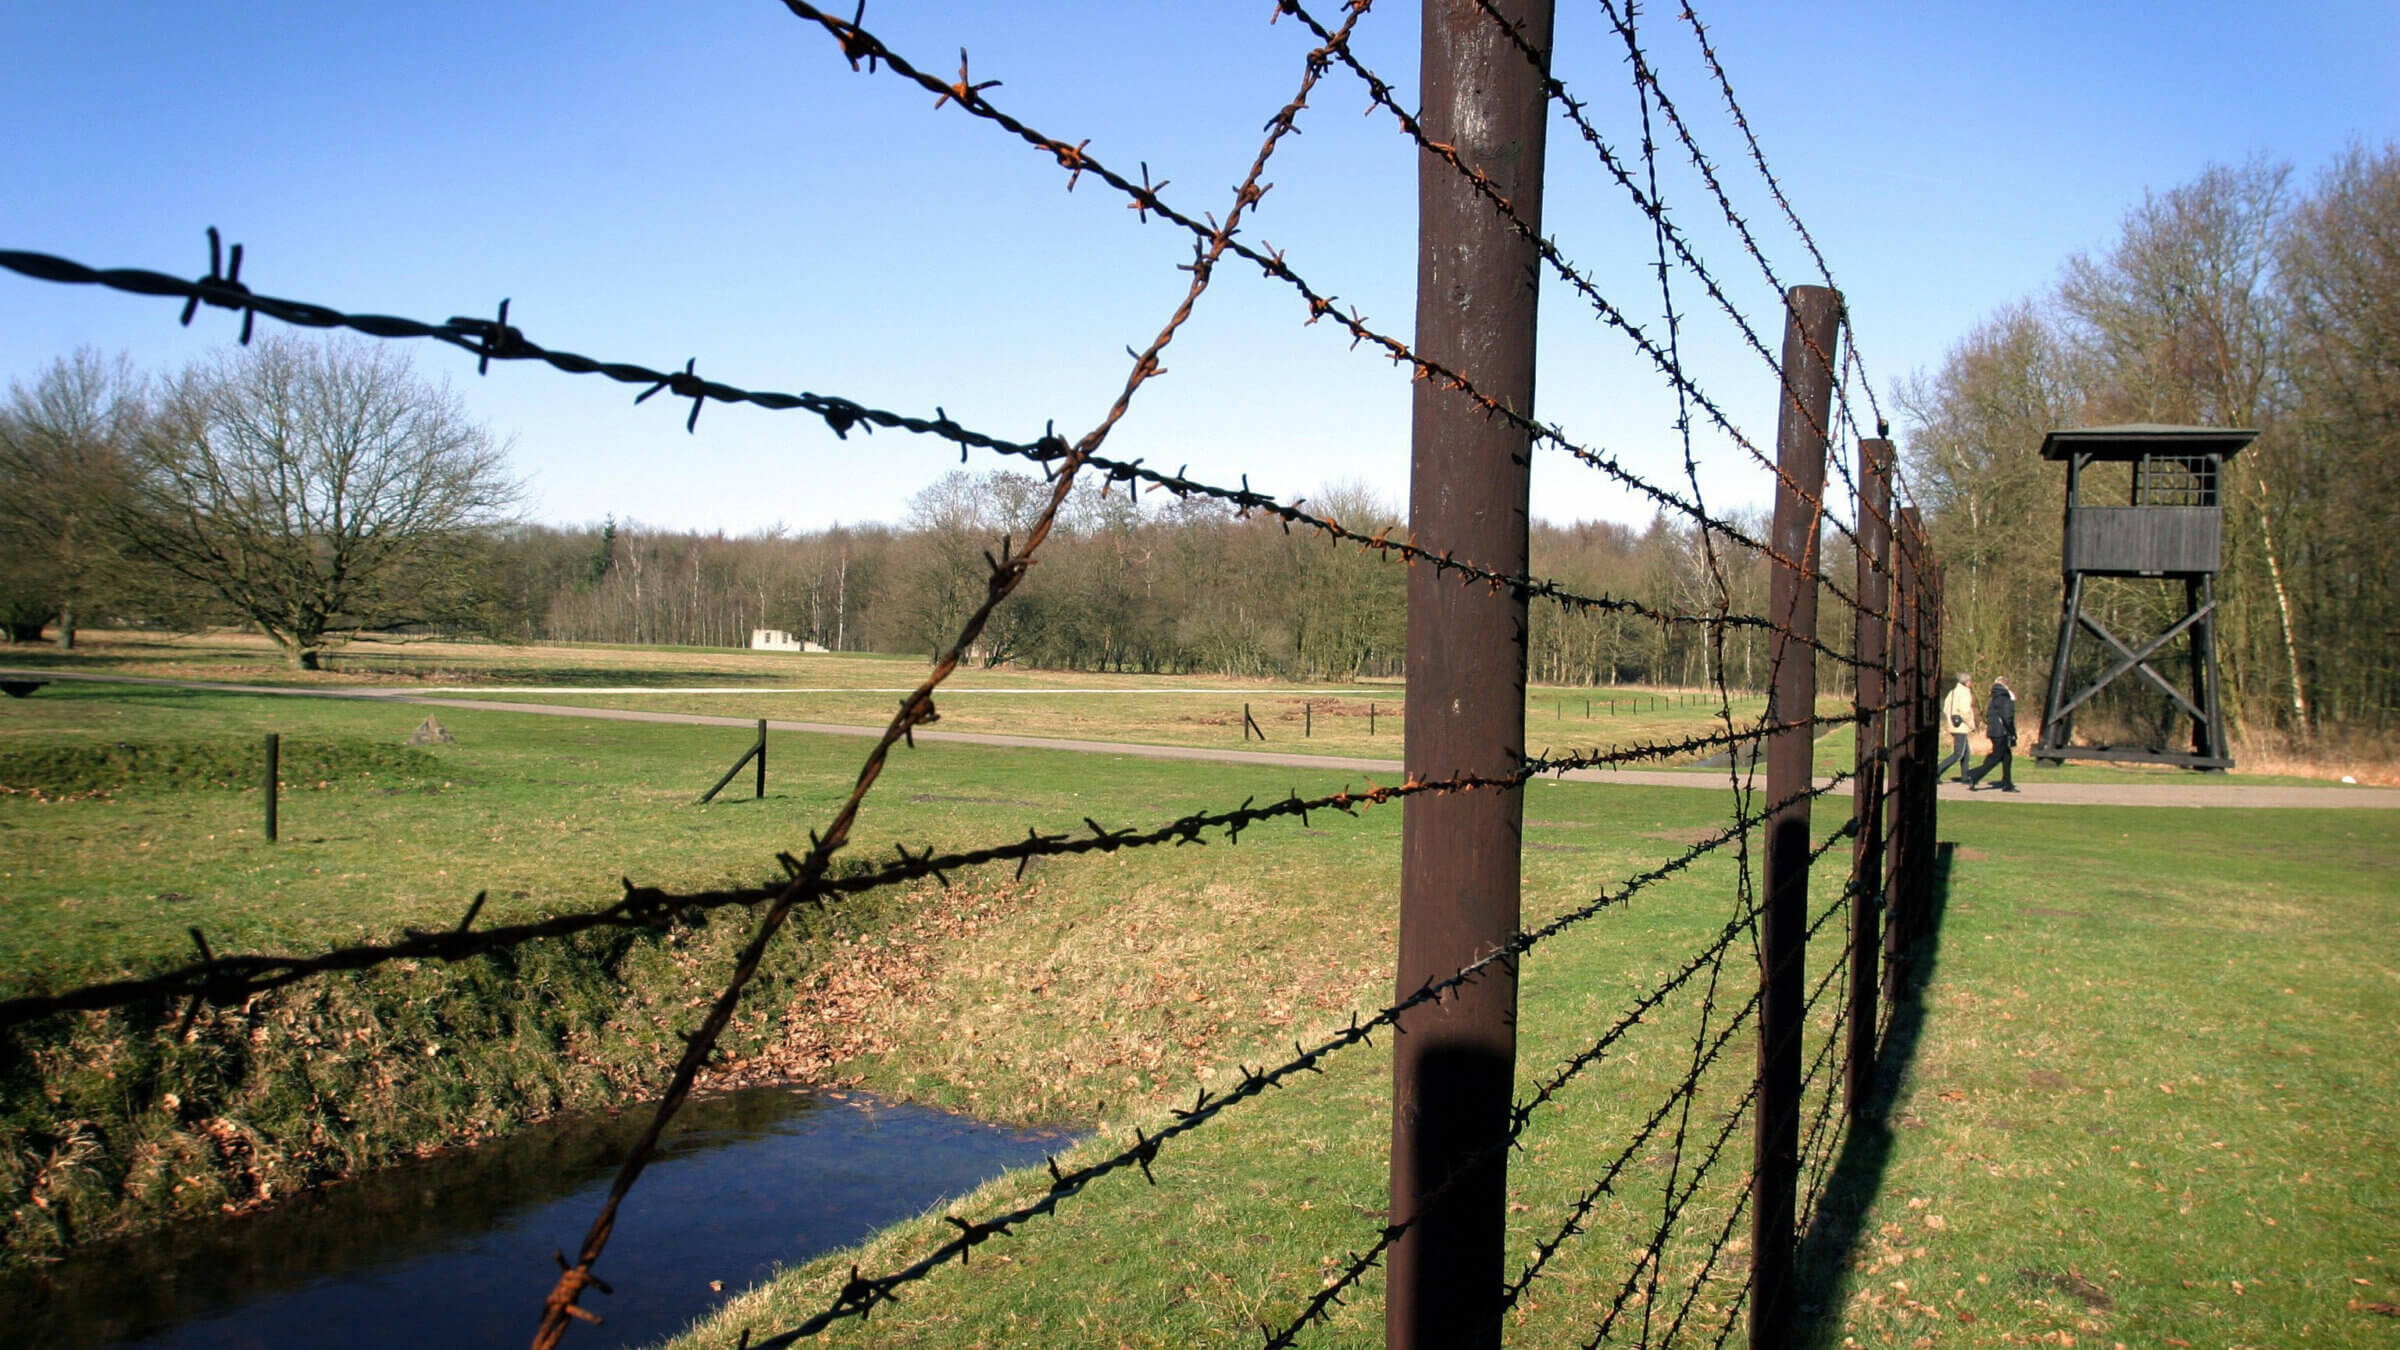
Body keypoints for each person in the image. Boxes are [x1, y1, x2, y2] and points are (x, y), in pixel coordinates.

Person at [1963, 675, 2020, 792]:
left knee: (2007, 757)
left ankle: (2007, 782)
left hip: (1994, 731)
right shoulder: (2005, 698)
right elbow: (2008, 717)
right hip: (2002, 732)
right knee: (1996, 757)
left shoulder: (1994, 698)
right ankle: (1974, 775)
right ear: (2006, 685)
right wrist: (2012, 732)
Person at [1935, 672, 1975, 782]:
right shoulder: (1965, 693)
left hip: (1953, 725)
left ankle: (1965, 776)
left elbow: (1946, 709)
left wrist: (1950, 721)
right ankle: (1937, 771)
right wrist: (1971, 725)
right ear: (1967, 682)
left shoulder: (1952, 692)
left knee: (1966, 752)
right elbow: (1965, 711)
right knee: (1959, 754)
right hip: (1961, 727)